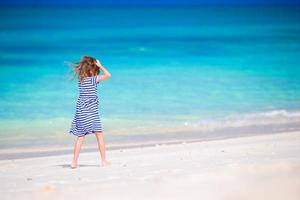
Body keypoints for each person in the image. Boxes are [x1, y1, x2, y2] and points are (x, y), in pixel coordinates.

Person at [69, 56, 111, 169]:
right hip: (92, 113)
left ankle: (74, 162)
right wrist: (101, 66)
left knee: (80, 137)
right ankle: (103, 161)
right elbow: (108, 75)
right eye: (96, 69)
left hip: (81, 113)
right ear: (93, 69)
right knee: (100, 137)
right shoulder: (94, 79)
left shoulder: (81, 80)